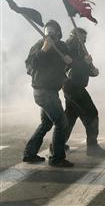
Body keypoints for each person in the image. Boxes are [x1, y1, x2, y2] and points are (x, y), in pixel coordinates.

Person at [23, 20, 75, 167]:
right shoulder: (39, 45)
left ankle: (29, 154)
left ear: (59, 33)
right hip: (43, 91)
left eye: (54, 30)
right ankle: (57, 158)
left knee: (46, 123)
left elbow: (71, 62)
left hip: (52, 91)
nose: (51, 33)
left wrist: (69, 61)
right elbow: (30, 66)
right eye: (48, 30)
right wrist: (43, 50)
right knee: (61, 122)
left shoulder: (62, 46)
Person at [63, 28, 105, 157]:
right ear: (76, 36)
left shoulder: (77, 48)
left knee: (70, 117)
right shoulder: (71, 45)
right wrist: (86, 62)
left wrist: (92, 71)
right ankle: (92, 147)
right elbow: (71, 65)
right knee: (92, 113)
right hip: (73, 86)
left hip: (72, 85)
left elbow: (80, 68)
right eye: (82, 39)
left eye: (85, 40)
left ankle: (58, 144)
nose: (84, 42)